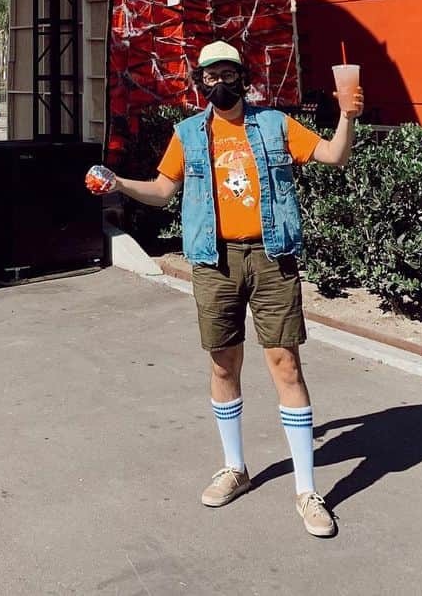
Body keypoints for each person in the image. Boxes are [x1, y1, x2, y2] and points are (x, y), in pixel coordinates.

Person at [88, 40, 362, 538]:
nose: (219, 83)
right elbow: (163, 189)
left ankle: (306, 490)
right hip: (214, 260)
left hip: (271, 254)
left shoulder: (275, 124)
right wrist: (120, 184)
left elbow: (334, 156)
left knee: (285, 363)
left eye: (227, 74)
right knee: (222, 362)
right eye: (209, 76)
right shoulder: (189, 134)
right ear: (200, 83)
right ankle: (235, 467)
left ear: (244, 77)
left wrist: (347, 115)